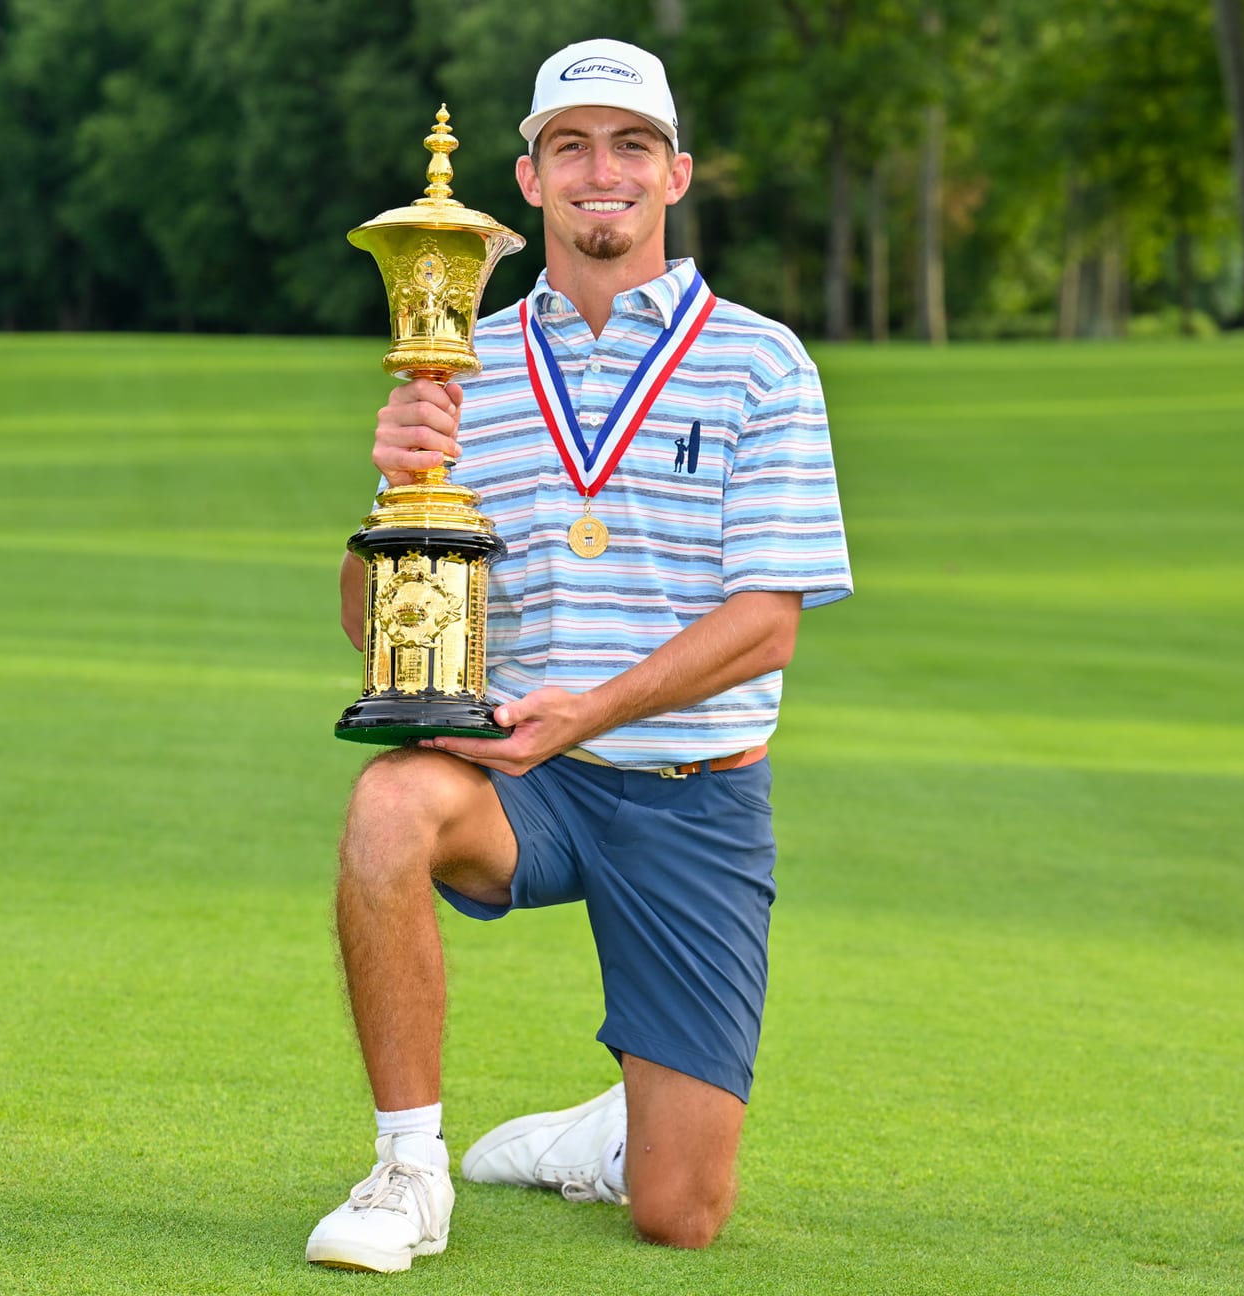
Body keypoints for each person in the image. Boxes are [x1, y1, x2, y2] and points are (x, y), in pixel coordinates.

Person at [304, 37, 853, 1272]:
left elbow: (768, 620)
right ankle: (406, 1173)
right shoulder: (467, 366)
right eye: (572, 148)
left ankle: (609, 1133)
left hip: (691, 795)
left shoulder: (763, 362)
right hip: (523, 779)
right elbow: (365, 617)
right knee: (388, 804)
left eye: (631, 147)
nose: (601, 171)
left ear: (677, 174)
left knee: (681, 1213)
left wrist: (590, 709)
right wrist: (396, 477)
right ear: (531, 178)